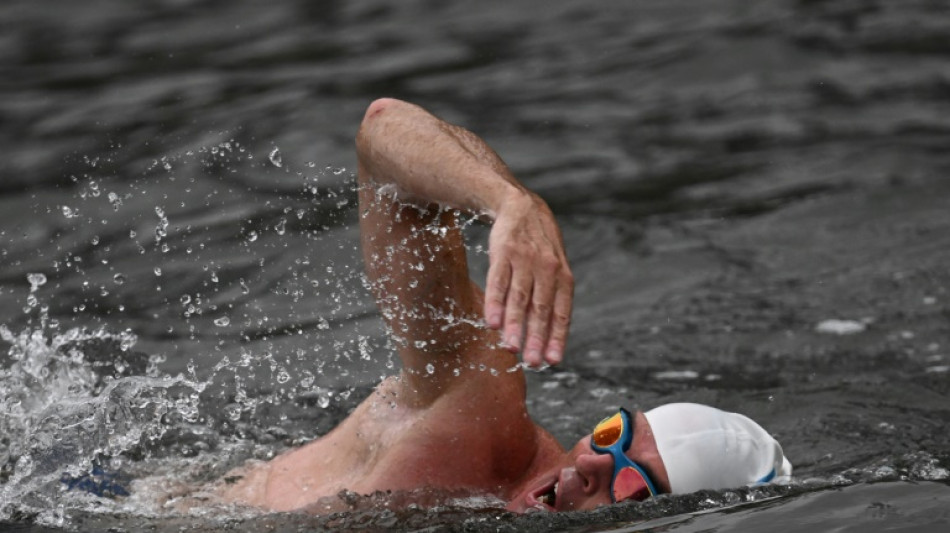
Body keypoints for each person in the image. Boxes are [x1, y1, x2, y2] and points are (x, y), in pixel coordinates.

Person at [218, 98, 791, 513]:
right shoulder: (478, 417)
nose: (594, 463)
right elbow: (383, 130)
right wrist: (511, 202)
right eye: (613, 433)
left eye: (635, 483)